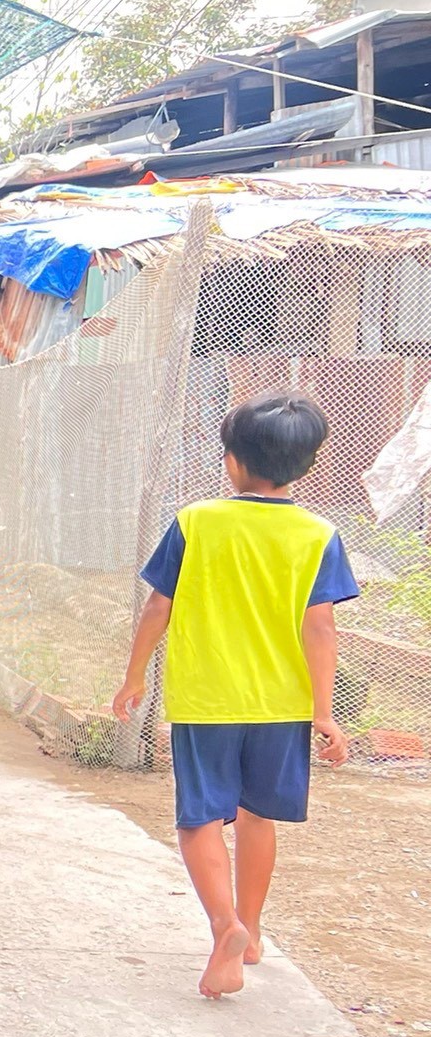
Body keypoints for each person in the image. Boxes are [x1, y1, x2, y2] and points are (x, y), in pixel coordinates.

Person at [112, 392, 356, 1000]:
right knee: (257, 815)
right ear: (308, 465)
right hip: (282, 705)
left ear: (231, 461)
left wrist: (135, 675)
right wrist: (324, 711)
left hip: (206, 699)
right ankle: (252, 933)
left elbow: (158, 606)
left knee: (199, 819)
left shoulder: (197, 521)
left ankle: (224, 925)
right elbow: (321, 626)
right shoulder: (318, 534)